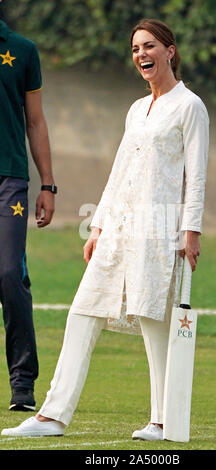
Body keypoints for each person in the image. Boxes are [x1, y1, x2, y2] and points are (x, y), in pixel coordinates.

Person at [1, 18, 209, 440]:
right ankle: (52, 416)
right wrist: (96, 226)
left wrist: (192, 230)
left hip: (159, 229)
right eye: (135, 49)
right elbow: (120, 171)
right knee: (82, 312)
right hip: (117, 227)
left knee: (155, 322)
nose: (141, 55)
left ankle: (162, 420)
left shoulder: (190, 107)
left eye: (149, 46)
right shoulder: (136, 109)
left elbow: (197, 175)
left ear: (170, 51)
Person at [0, 10, 57, 412]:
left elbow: (35, 121)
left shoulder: (22, 51)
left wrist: (48, 185)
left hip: (10, 182)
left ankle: (22, 384)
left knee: (8, 274)